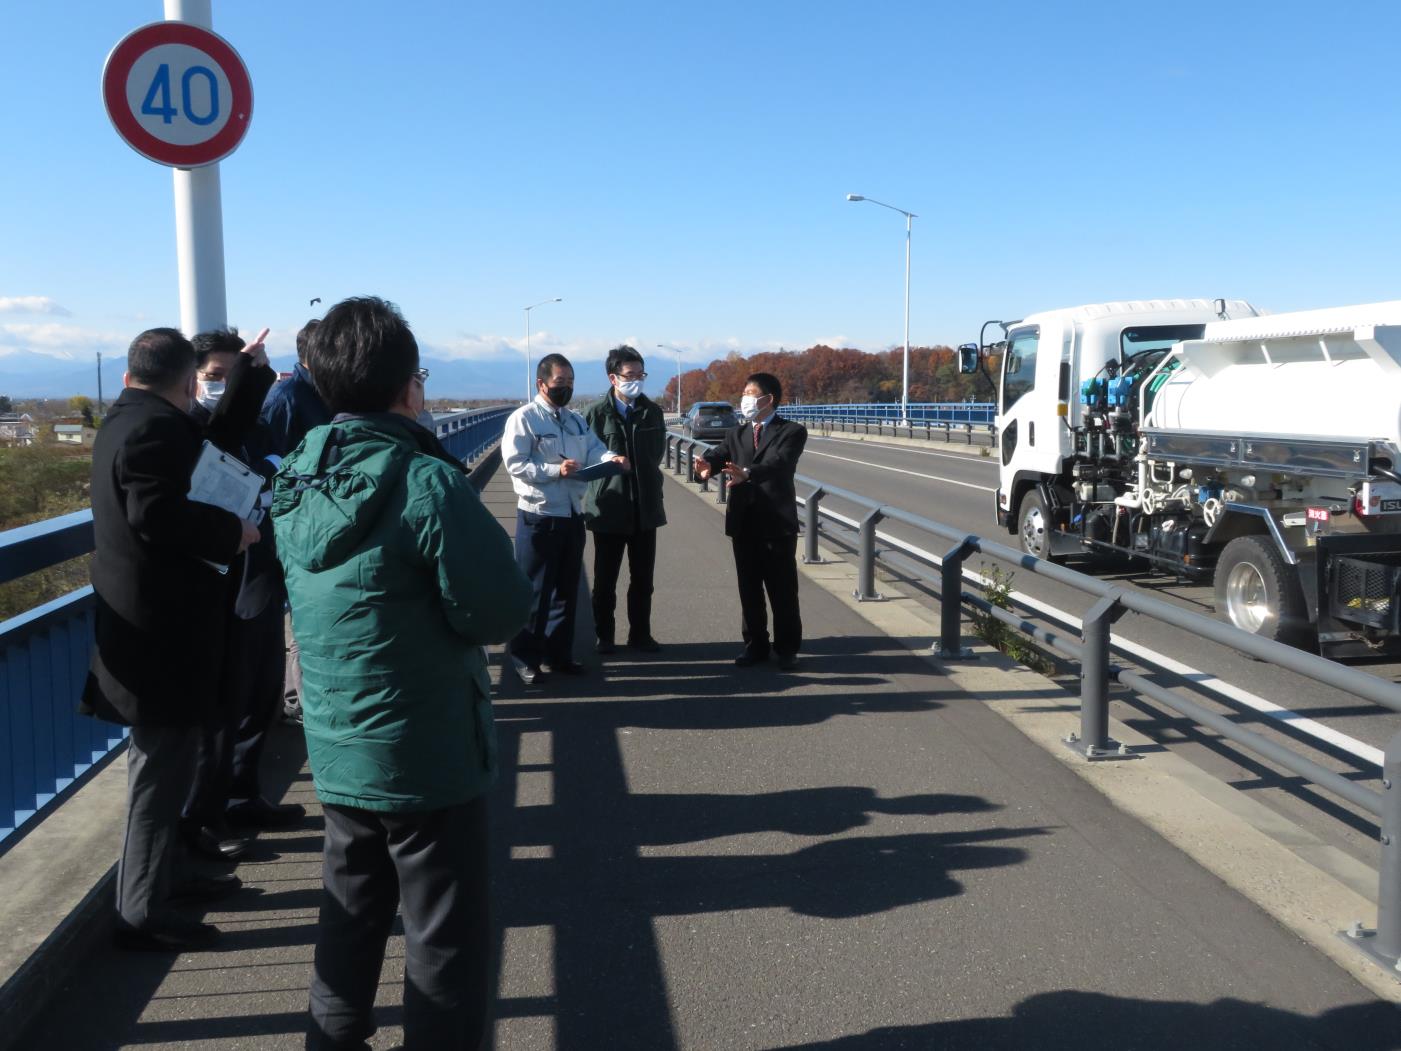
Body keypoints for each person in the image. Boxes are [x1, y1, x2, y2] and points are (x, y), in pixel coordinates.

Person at [272, 296, 532, 1050]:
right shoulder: (426, 482)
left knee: (348, 915)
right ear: (406, 386)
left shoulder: (297, 476)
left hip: (337, 740)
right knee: (442, 931)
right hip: (427, 749)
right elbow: (498, 611)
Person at [80, 327, 261, 952]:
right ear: (187, 380)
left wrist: (247, 376)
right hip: (161, 634)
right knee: (159, 772)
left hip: (155, 628)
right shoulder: (154, 430)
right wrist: (231, 532)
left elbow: (213, 442)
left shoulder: (130, 418)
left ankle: (168, 877)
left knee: (171, 763)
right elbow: (154, 514)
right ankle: (142, 914)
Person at [183, 327, 303, 866]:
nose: (224, 387)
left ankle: (243, 794)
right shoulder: (189, 428)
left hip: (262, 569)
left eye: (233, 377)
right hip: (217, 583)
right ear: (192, 378)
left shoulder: (257, 423)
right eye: (215, 377)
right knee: (221, 706)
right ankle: (206, 817)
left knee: (260, 691)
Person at [502, 353, 629, 683]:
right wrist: (554, 470)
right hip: (539, 515)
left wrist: (611, 458)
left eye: (570, 382)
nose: (566, 388)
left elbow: (594, 448)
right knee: (534, 591)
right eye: (560, 382)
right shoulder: (524, 419)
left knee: (565, 591)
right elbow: (515, 464)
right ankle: (525, 659)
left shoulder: (575, 420)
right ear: (541, 384)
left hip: (572, 513)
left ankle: (559, 654)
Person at [696, 372, 808, 670]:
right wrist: (705, 468)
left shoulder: (792, 431)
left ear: (768, 399)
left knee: (783, 590)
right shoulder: (737, 432)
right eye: (743, 393)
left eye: (750, 393)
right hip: (743, 521)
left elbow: (780, 462)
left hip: (776, 522)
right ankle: (755, 645)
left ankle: (786, 648)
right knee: (749, 589)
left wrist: (748, 473)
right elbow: (718, 456)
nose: (744, 399)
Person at [260, 319, 331, 728]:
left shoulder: (321, 392)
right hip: (296, 525)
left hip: (320, 523)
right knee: (300, 619)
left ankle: (298, 699)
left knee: (308, 618)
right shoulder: (287, 398)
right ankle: (298, 703)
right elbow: (272, 463)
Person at [582, 346, 667, 653]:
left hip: (645, 507)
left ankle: (640, 634)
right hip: (609, 506)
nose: (636, 381)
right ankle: (604, 636)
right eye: (630, 375)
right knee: (605, 580)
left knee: (643, 580)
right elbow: (584, 455)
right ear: (613, 378)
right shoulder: (595, 413)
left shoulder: (652, 412)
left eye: (641, 375)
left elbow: (656, 453)